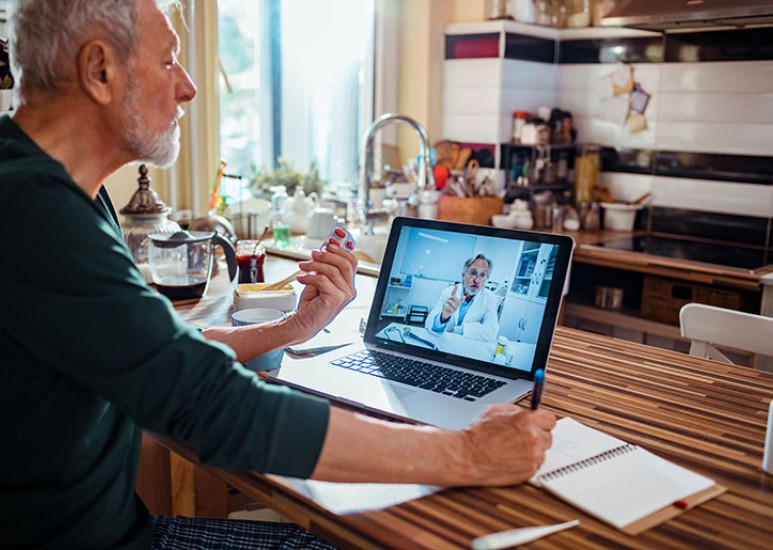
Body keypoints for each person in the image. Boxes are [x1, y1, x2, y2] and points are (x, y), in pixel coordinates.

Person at [0, 1, 556, 549]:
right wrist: (469, 453)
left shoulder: (67, 191)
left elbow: (159, 354)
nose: (189, 85)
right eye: (169, 60)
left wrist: (294, 327)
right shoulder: (31, 211)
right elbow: (208, 404)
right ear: (99, 71)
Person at [426, 254, 500, 342]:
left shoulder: (490, 298)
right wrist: (443, 317)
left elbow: (491, 332)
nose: (477, 280)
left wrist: (459, 330)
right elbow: (429, 324)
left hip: (468, 346)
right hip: (444, 342)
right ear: (463, 275)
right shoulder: (448, 292)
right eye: (473, 273)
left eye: (483, 275)